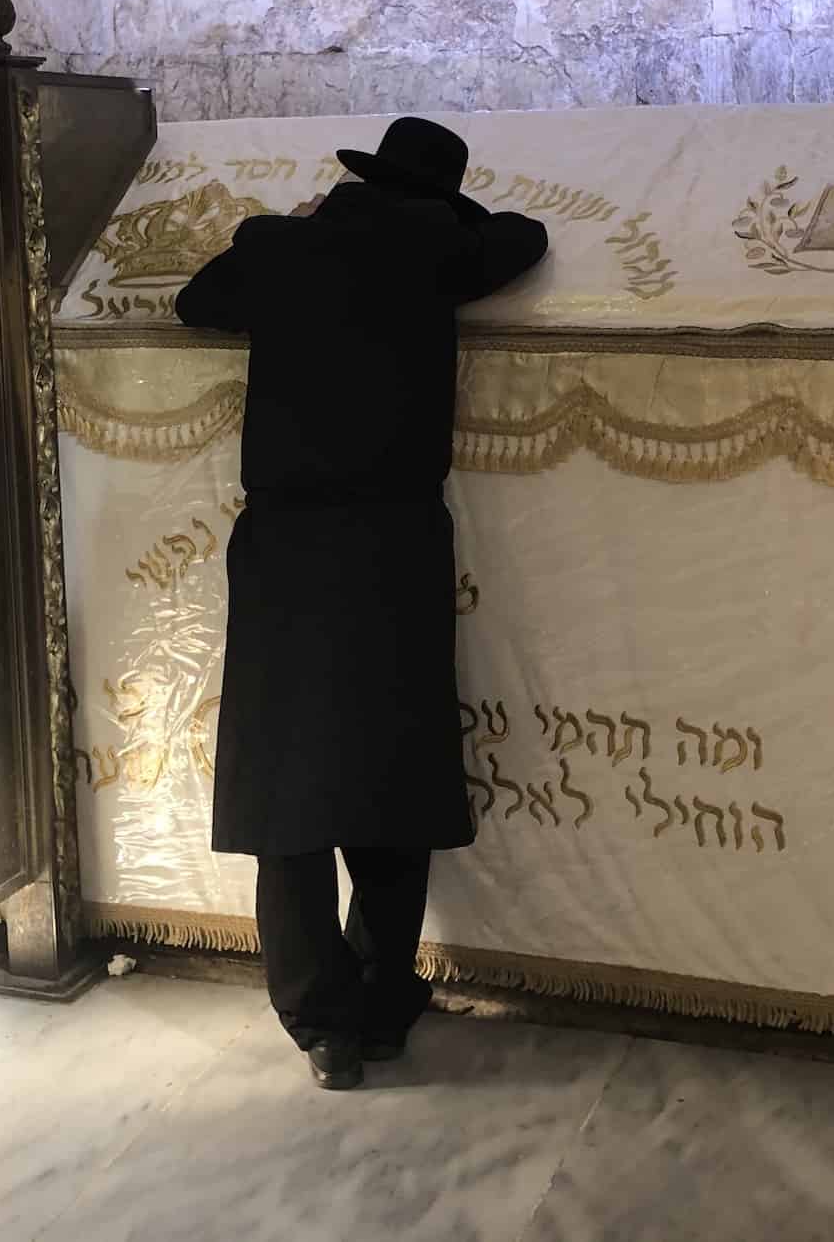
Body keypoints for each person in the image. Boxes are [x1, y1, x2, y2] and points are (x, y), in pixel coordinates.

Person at [173, 117, 550, 1089]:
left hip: (287, 546)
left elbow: (196, 301)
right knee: (390, 776)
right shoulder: (438, 247)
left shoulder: (278, 246)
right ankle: (384, 1005)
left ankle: (319, 1020)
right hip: (392, 542)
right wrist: (447, 217)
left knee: (287, 784)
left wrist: (290, 226)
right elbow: (523, 238)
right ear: (432, 197)